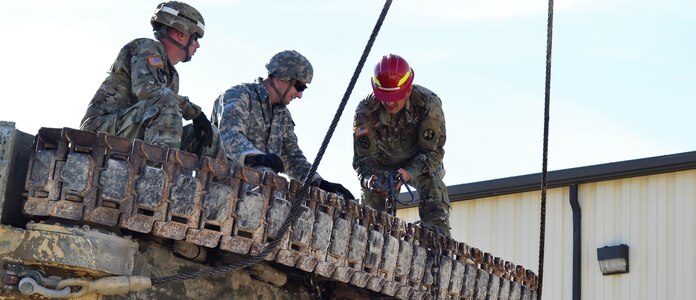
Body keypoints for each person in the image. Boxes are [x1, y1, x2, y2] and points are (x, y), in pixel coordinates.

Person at [80, 2, 222, 158]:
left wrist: (198, 118)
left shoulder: (171, 74)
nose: (198, 45)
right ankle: (162, 176)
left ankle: (218, 182)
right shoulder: (147, 47)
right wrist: (194, 112)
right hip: (99, 132)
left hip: (127, 131)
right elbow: (147, 91)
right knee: (165, 100)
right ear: (182, 34)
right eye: (195, 38)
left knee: (206, 133)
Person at [212, 50, 353, 200]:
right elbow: (228, 136)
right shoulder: (239, 95)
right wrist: (256, 157)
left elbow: (293, 159)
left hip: (261, 195)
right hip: (224, 189)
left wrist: (319, 182)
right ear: (282, 78)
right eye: (299, 87)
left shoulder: (283, 116)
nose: (299, 95)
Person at [352, 54, 451, 237]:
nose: (389, 102)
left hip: (419, 163)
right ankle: (371, 238)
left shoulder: (428, 105)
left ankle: (438, 240)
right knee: (371, 207)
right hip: (380, 165)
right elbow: (363, 159)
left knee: (433, 184)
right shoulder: (365, 111)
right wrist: (370, 180)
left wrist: (409, 173)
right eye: (385, 97)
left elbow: (433, 153)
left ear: (408, 89)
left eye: (395, 96)